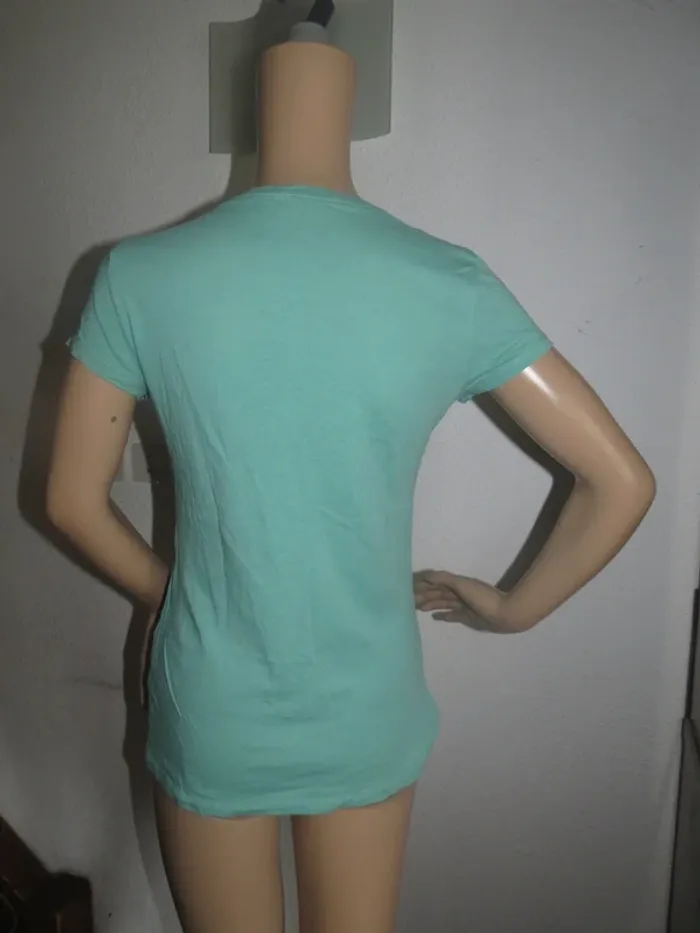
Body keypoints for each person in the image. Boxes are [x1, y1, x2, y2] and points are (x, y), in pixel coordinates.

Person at [45, 22, 655, 933]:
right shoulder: (447, 280)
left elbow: (69, 501)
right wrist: (509, 608)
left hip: (213, 705)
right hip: (370, 706)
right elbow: (623, 483)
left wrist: (169, 594)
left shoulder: (137, 276)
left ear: (256, 97)